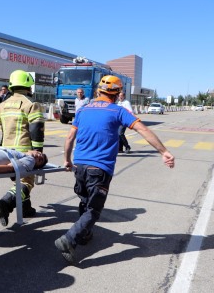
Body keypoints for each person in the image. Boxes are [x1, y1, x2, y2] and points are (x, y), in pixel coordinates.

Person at [55, 75, 175, 265]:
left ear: (98, 91)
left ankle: (84, 235)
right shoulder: (118, 111)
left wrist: (67, 160)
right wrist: (164, 151)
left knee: (85, 201)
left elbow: (70, 138)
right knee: (93, 210)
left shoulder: (83, 109)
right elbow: (143, 130)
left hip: (79, 166)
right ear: (118, 93)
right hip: (99, 168)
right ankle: (69, 239)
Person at [0, 70, 45, 226]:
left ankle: (26, 209)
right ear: (27, 86)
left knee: (20, 179)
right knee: (27, 182)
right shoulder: (31, 104)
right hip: (24, 151)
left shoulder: (2, 105)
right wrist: (38, 153)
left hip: (5, 151)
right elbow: (36, 129)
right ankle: (6, 202)